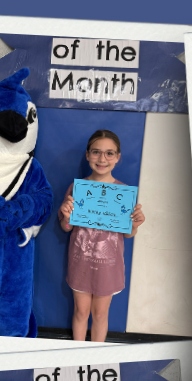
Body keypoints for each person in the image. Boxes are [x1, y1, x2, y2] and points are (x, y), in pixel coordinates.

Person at [57, 130, 145, 342]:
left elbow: (128, 234)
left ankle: (96, 358)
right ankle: (78, 356)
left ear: (118, 157)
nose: (102, 159)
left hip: (108, 266)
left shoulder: (124, 193)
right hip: (81, 264)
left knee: (100, 314)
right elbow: (66, 228)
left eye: (109, 153)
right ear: (87, 155)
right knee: (80, 312)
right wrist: (65, 215)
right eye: (96, 152)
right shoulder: (76, 188)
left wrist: (135, 225)